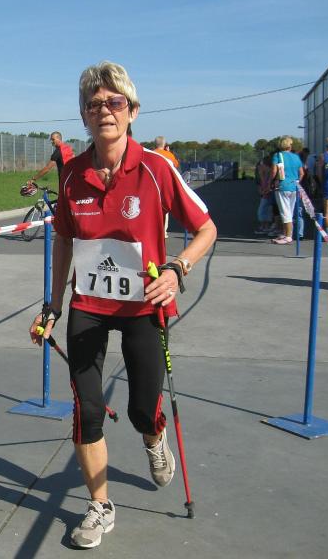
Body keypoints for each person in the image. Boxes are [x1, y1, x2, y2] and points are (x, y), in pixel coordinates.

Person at [29, 61, 216, 549]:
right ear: (84, 116)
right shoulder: (72, 174)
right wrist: (52, 305)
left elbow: (206, 229)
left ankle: (154, 438)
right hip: (88, 306)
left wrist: (177, 270)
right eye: (94, 104)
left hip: (142, 309)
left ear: (132, 111)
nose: (104, 111)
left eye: (114, 102)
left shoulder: (157, 168)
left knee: (139, 410)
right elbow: (64, 240)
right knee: (88, 411)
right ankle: (100, 506)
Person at [270, 137, 304, 245]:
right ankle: (286, 233)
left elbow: (274, 171)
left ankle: (288, 236)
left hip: (282, 186)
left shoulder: (277, 156)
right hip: (294, 186)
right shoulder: (296, 157)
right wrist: (297, 181)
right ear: (290, 146)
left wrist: (271, 182)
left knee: (285, 212)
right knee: (290, 211)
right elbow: (302, 173)